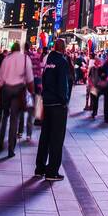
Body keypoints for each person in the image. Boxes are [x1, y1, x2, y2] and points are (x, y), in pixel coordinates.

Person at [35, 38, 74, 181]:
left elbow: (44, 79)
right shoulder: (62, 62)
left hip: (47, 102)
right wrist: (64, 101)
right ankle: (52, 171)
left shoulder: (49, 59)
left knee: (45, 135)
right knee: (57, 138)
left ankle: (40, 168)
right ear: (63, 48)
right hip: (58, 104)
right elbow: (63, 84)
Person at [0, 43, 34, 157]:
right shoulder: (25, 59)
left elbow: (0, 79)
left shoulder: (6, 59)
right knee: (14, 120)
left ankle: (0, 142)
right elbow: (30, 79)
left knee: (4, 116)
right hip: (18, 91)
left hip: (6, 90)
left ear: (11, 49)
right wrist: (32, 93)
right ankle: (11, 149)